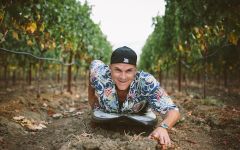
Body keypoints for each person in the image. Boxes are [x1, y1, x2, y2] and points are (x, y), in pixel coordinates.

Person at [88, 46, 180, 146]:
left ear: (135, 70)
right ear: (110, 68)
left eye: (129, 71)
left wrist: (163, 127)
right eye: (117, 70)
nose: (123, 77)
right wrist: (91, 98)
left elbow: (173, 111)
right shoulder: (99, 75)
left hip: (139, 112)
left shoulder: (146, 82)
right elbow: (94, 66)